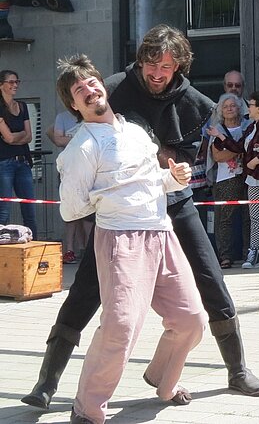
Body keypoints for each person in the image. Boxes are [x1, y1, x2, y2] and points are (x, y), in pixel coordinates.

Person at [23, 25, 259, 411]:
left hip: (169, 199)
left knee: (210, 277)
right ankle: (47, 381)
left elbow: (182, 158)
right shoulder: (115, 88)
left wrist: (167, 168)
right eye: (151, 64)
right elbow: (94, 139)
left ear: (178, 68)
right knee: (87, 288)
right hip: (118, 217)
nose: (158, 73)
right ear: (141, 62)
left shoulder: (193, 101)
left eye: (167, 67)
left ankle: (236, 370)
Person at [54, 55, 206, 424]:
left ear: (101, 85)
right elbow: (70, 209)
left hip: (161, 233)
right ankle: (87, 408)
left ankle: (163, 380)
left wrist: (175, 178)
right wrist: (109, 195)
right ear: (74, 105)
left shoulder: (135, 131)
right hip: (120, 240)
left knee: (191, 320)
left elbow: (155, 182)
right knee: (121, 326)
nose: (89, 91)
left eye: (91, 83)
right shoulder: (82, 147)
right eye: (79, 90)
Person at [213, 90, 259, 270]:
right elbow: (238, 146)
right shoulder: (252, 127)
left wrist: (255, 161)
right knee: (255, 217)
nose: (248, 108)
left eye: (251, 105)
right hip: (251, 180)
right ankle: (254, 253)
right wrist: (220, 136)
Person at [206, 93, 249, 268]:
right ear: (221, 111)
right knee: (225, 219)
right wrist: (240, 149)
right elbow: (217, 156)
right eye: (226, 106)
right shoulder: (218, 129)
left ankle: (250, 254)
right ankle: (225, 256)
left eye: (233, 105)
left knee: (249, 217)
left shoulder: (248, 127)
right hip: (225, 179)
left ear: (239, 108)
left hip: (248, 177)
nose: (230, 109)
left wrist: (233, 149)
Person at [48, 107, 90, 263]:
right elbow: (58, 139)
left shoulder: (90, 115)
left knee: (88, 214)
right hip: (69, 170)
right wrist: (81, 138)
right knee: (70, 211)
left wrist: (69, 138)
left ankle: (87, 249)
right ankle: (70, 250)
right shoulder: (62, 117)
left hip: (88, 169)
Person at [0, 69, 35, 238]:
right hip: (4, 162)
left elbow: (29, 136)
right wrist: (19, 135)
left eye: (17, 82)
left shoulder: (22, 106)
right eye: (11, 82)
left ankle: (34, 248)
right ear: (1, 85)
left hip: (23, 162)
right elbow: (8, 138)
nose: (15, 85)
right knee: (4, 211)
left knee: (29, 209)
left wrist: (17, 136)